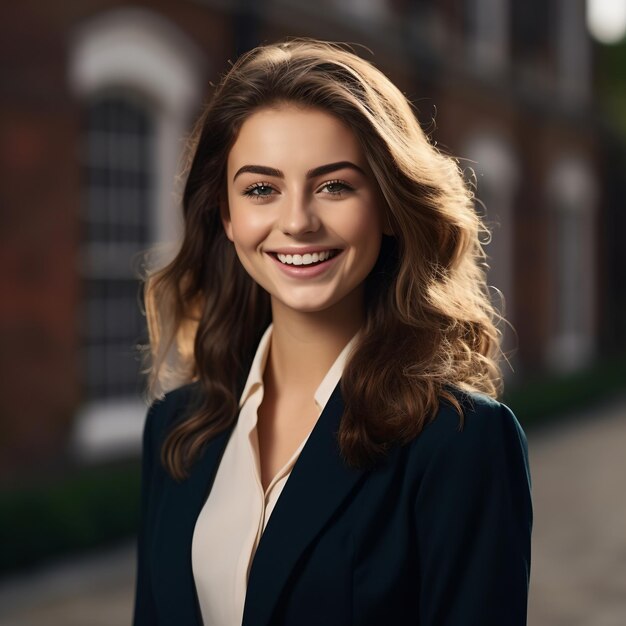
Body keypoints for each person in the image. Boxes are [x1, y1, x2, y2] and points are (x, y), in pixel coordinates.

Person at [133, 39, 532, 626]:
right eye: (261, 189)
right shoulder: (176, 428)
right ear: (226, 214)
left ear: (391, 208)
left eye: (335, 186)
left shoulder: (460, 443)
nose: (296, 221)